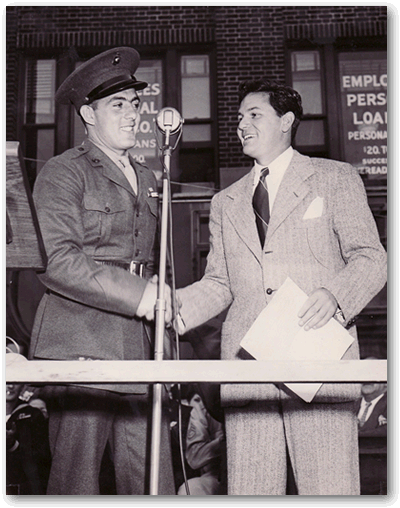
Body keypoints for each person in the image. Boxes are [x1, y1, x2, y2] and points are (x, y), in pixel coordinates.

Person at [176, 79, 387, 495]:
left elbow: (372, 257)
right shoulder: (226, 202)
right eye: (239, 118)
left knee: (329, 487)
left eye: (254, 115)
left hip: (317, 362)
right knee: (251, 489)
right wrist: (173, 308)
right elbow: (220, 283)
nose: (241, 125)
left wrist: (336, 296)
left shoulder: (334, 178)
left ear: (287, 121)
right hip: (248, 369)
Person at [29, 47, 175, 495]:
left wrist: (162, 304)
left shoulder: (150, 178)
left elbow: (154, 261)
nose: (133, 115)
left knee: (153, 482)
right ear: (88, 114)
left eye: (135, 104)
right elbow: (58, 261)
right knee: (77, 485)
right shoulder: (63, 172)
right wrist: (143, 296)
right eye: (118, 105)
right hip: (81, 346)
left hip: (140, 347)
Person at [6, 338, 51, 495]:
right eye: (5, 379)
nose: (10, 385)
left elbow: (41, 463)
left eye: (15, 380)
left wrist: (12, 445)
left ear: (23, 385)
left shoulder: (32, 415)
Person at [177, 390, 225, 495]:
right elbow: (194, 459)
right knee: (190, 489)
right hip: (216, 476)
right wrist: (223, 441)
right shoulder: (204, 404)